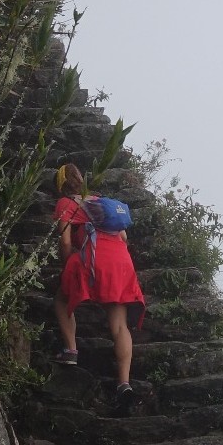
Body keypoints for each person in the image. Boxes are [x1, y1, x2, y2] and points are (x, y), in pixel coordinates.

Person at [52, 162, 145, 400]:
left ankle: (71, 350)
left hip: (92, 259)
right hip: (121, 262)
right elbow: (123, 237)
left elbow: (64, 243)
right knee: (119, 324)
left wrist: (68, 268)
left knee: (62, 300)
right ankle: (124, 383)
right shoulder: (100, 202)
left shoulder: (66, 203)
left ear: (61, 184)